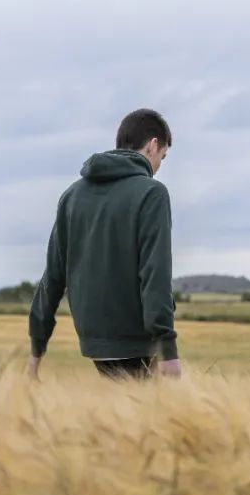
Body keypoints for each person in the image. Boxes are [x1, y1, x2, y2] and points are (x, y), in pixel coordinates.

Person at [27, 109, 182, 381]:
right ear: (152, 145)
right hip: (136, 340)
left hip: (93, 340)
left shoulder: (72, 195)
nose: (158, 166)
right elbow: (155, 273)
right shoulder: (151, 193)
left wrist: (35, 352)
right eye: (162, 157)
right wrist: (167, 349)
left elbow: (52, 277)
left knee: (122, 404)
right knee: (146, 406)